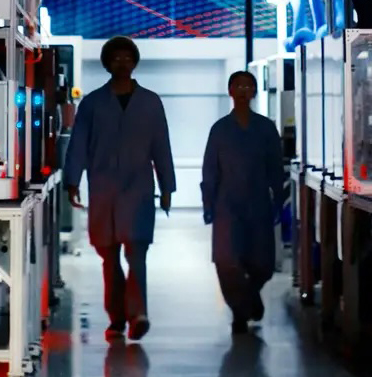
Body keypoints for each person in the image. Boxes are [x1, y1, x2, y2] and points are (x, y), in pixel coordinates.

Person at [63, 36, 176, 342]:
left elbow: (161, 146)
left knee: (137, 253)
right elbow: (79, 145)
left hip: (138, 189)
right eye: (116, 59)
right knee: (109, 257)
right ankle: (116, 319)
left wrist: (167, 186)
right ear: (107, 63)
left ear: (135, 62)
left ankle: (139, 314)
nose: (122, 63)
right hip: (103, 191)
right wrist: (72, 181)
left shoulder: (151, 102)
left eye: (128, 58)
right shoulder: (92, 103)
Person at [201, 70, 285, 335]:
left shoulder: (266, 128)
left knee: (263, 264)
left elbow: (275, 166)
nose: (243, 90)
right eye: (238, 85)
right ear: (230, 91)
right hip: (227, 204)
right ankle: (239, 312)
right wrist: (208, 203)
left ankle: (249, 297)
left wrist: (278, 199)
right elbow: (210, 169)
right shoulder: (220, 129)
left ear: (254, 92)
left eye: (248, 86)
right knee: (228, 262)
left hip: (258, 202)